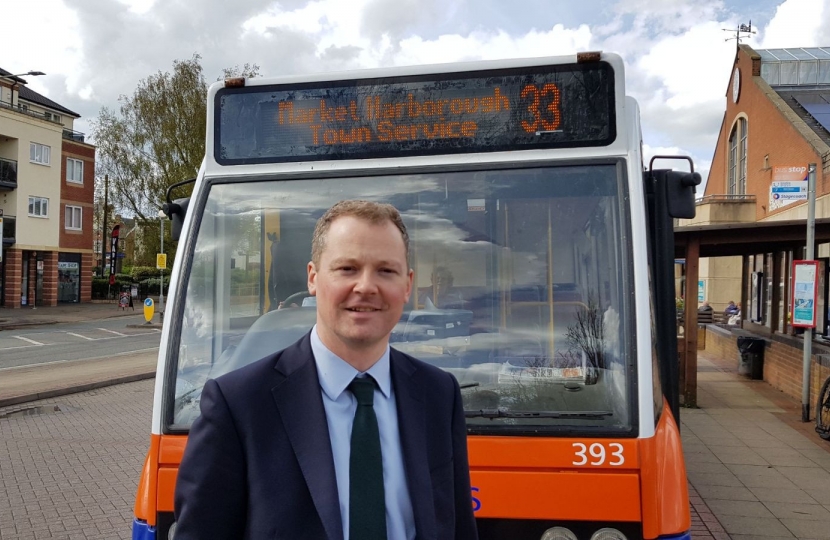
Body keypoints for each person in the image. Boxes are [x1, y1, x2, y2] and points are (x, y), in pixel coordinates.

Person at [174, 200, 478, 540]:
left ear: (407, 285)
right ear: (313, 278)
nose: (366, 286)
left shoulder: (439, 395)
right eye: (347, 268)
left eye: (386, 271)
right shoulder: (237, 405)